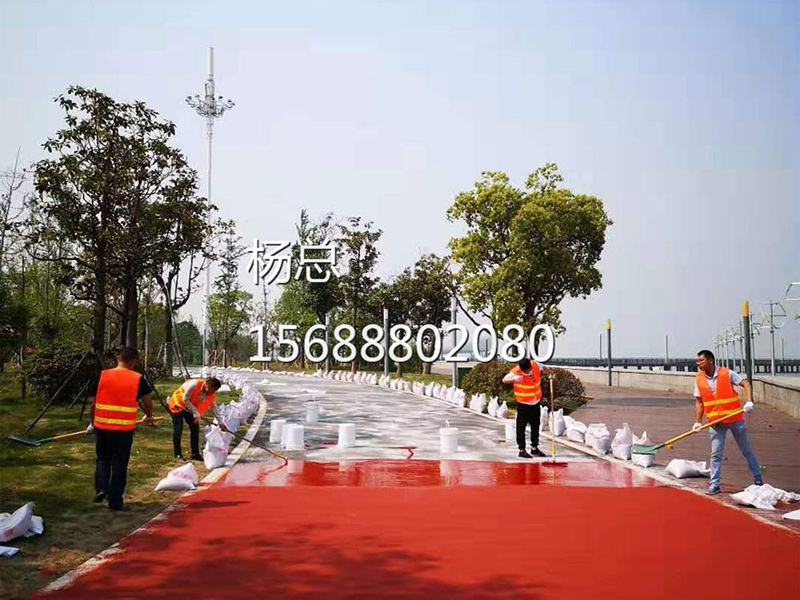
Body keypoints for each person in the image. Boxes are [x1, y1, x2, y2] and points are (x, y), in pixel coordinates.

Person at [90, 347, 154, 511]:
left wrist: (92, 422)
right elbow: (147, 402)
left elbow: (93, 403)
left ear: (118, 359)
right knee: (119, 463)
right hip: (123, 428)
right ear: (133, 361)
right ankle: (115, 501)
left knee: (103, 460)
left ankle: (102, 488)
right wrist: (148, 416)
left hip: (102, 426)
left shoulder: (103, 375)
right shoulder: (137, 379)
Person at [693, 349, 760, 495]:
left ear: (710, 360)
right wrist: (697, 422)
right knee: (716, 454)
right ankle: (714, 485)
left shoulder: (727, 373)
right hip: (716, 423)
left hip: (735, 419)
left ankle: (758, 480)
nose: (698, 363)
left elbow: (746, 384)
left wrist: (749, 401)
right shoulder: (698, 379)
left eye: (701, 360)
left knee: (746, 450)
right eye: (697, 361)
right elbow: (699, 402)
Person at [167, 377, 223, 460]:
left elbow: (214, 408)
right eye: (212, 390)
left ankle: (195, 454)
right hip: (177, 405)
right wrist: (195, 412)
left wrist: (221, 422)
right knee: (178, 429)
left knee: (195, 430)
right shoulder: (193, 385)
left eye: (215, 391)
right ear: (208, 386)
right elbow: (185, 399)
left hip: (189, 409)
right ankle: (178, 454)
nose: (212, 393)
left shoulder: (211, 394)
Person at [502, 357, 546, 458]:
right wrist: (514, 379)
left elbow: (544, 367)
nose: (527, 372)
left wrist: (551, 374)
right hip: (523, 404)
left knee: (535, 426)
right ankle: (521, 450)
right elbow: (504, 380)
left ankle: (534, 448)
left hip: (535, 402)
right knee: (521, 427)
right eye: (525, 371)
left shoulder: (535, 365)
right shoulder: (516, 372)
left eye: (528, 370)